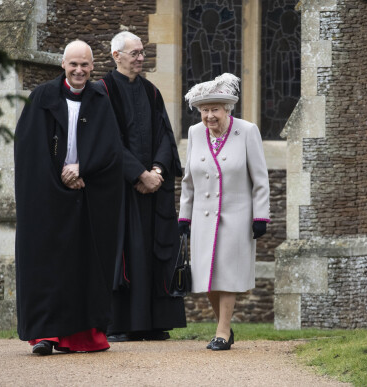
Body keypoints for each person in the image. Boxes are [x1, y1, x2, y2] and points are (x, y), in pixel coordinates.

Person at [14, 40, 123, 355]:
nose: (79, 70)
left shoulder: (101, 98)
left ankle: (83, 335)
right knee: (49, 263)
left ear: (92, 67)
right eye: (73, 64)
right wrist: (59, 178)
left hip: (89, 194)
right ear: (63, 64)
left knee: (85, 264)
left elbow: (112, 150)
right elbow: (29, 151)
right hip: (48, 195)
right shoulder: (42, 98)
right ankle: (45, 334)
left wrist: (83, 171)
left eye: (85, 65)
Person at [98, 31, 186, 341]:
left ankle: (153, 322)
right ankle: (120, 324)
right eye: (134, 53)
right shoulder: (102, 92)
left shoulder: (152, 92)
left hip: (153, 191)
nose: (140, 57)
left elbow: (165, 135)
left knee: (155, 249)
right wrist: (138, 175)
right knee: (126, 251)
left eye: (142, 52)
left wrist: (158, 170)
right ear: (116, 56)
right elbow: (106, 143)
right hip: (122, 191)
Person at [179, 73, 271, 351]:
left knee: (227, 274)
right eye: (204, 110)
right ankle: (226, 327)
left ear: (227, 109)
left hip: (237, 216)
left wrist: (261, 216)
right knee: (207, 277)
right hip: (203, 217)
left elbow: (260, 178)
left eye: (215, 109)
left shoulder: (247, 131)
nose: (209, 116)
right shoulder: (195, 133)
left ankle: (221, 332)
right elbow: (188, 180)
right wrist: (184, 216)